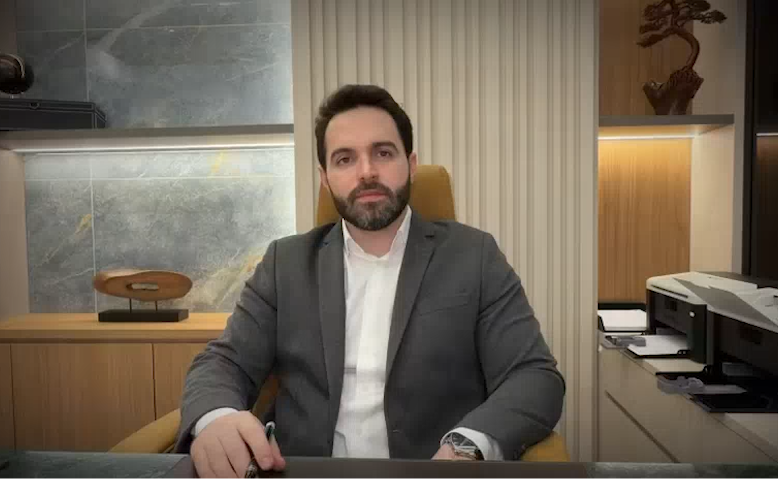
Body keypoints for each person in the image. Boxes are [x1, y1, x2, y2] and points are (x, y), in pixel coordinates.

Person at [175, 84, 565, 479]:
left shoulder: (474, 256)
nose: (367, 172)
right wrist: (217, 418)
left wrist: (465, 447)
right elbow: (224, 362)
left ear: (411, 164)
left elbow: (533, 375)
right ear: (325, 178)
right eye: (345, 159)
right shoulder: (285, 263)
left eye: (383, 153)